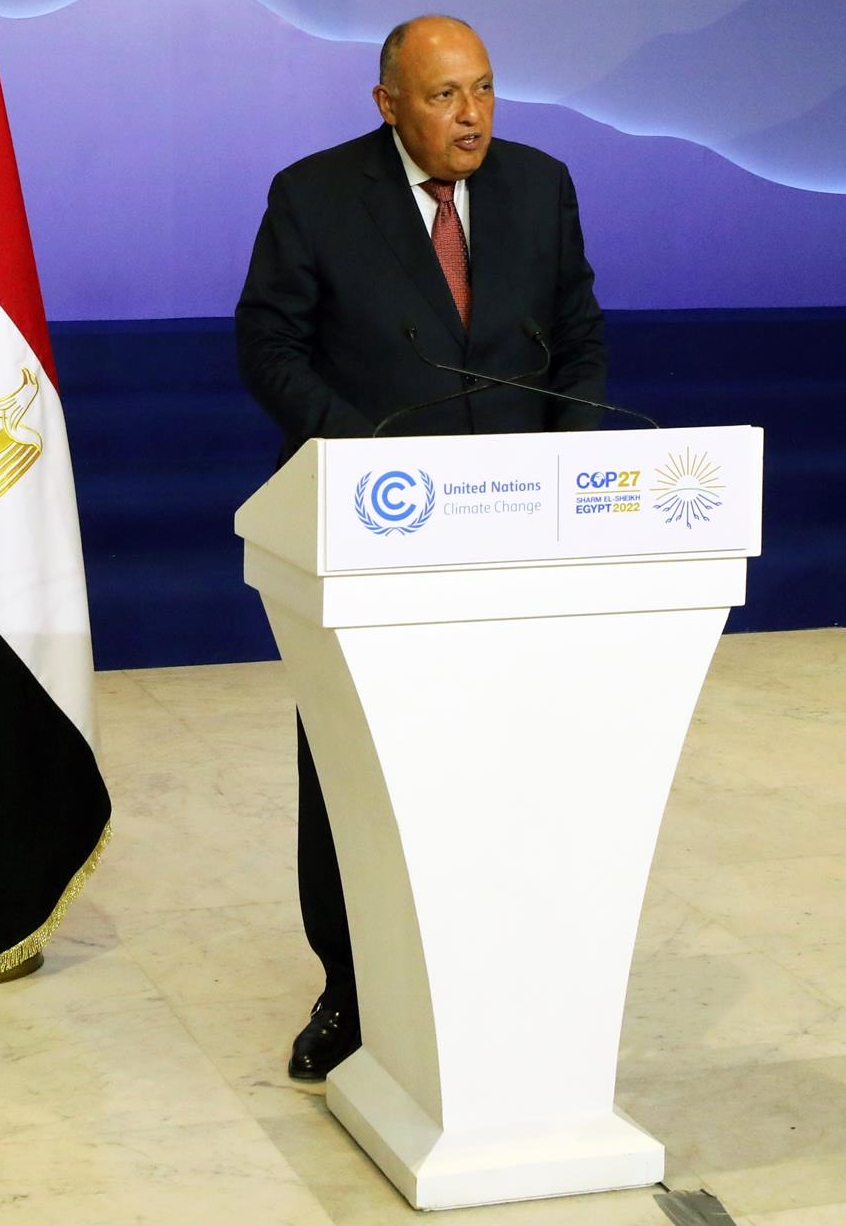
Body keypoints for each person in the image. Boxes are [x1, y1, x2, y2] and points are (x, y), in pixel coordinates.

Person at [236, 15, 607, 1081]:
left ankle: (497, 975)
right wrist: (362, 458)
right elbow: (267, 341)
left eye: (484, 89)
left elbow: (577, 329)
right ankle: (350, 989)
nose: (472, 115)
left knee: (502, 757)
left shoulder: (542, 185)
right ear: (387, 102)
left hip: (514, 532)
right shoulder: (313, 193)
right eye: (445, 96)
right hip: (372, 529)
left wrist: (564, 466)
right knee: (354, 768)